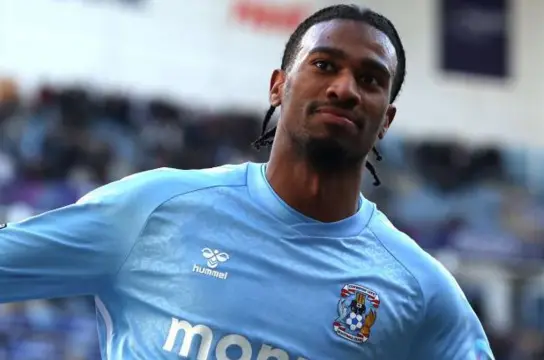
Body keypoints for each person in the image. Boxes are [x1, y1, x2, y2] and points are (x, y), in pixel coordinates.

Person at [0, 4, 494, 359]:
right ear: (278, 86)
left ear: (385, 118)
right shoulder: (151, 209)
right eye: (324, 66)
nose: (344, 88)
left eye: (369, 79)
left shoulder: (420, 290)